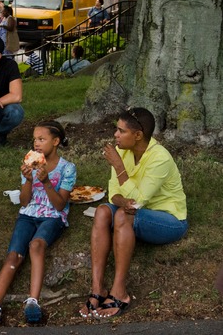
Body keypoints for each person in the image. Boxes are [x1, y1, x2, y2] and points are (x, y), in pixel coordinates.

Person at [78, 107, 188, 320]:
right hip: (133, 210)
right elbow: (114, 195)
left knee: (121, 215)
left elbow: (138, 202)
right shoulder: (122, 150)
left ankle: (120, 292)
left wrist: (119, 168)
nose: (115, 135)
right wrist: (123, 201)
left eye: (121, 131)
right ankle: (97, 289)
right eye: (116, 130)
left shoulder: (160, 158)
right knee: (102, 212)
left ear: (138, 135)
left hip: (169, 221)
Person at [0, 121, 76, 325]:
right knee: (13, 255)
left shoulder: (68, 168)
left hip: (52, 216)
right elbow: (24, 201)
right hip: (27, 214)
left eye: (42, 139)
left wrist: (47, 182)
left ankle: (33, 301)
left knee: (36, 245)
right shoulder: (29, 164)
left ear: (56, 141)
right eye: (35, 139)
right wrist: (29, 180)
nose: (37, 144)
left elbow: (60, 205)